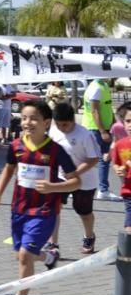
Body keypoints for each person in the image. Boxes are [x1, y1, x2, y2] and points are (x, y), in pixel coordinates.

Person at [0, 100, 78, 295]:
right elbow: (9, 169)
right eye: (24, 118)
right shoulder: (16, 146)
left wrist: (53, 187)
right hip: (19, 209)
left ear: (46, 122)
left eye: (34, 118)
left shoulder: (56, 150)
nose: (27, 122)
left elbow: (76, 181)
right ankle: (48, 257)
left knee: (24, 255)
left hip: (44, 211)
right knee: (22, 256)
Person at [47, 102, 100, 255]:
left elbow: (94, 159)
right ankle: (53, 243)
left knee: (84, 212)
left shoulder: (85, 135)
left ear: (73, 120)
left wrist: (75, 172)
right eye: (58, 124)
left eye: (65, 125)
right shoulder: (53, 132)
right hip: (61, 178)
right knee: (55, 208)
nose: (62, 128)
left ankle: (89, 236)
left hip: (85, 180)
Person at [83, 78, 118, 201]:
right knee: (104, 159)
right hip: (96, 128)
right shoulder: (96, 88)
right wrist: (103, 131)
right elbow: (94, 110)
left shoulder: (103, 85)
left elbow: (107, 107)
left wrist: (114, 123)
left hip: (103, 127)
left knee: (95, 159)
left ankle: (79, 186)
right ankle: (103, 190)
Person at [109, 107, 131, 236]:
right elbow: (116, 164)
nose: (130, 125)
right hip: (128, 191)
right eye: (128, 121)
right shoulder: (120, 144)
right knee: (129, 229)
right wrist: (118, 169)